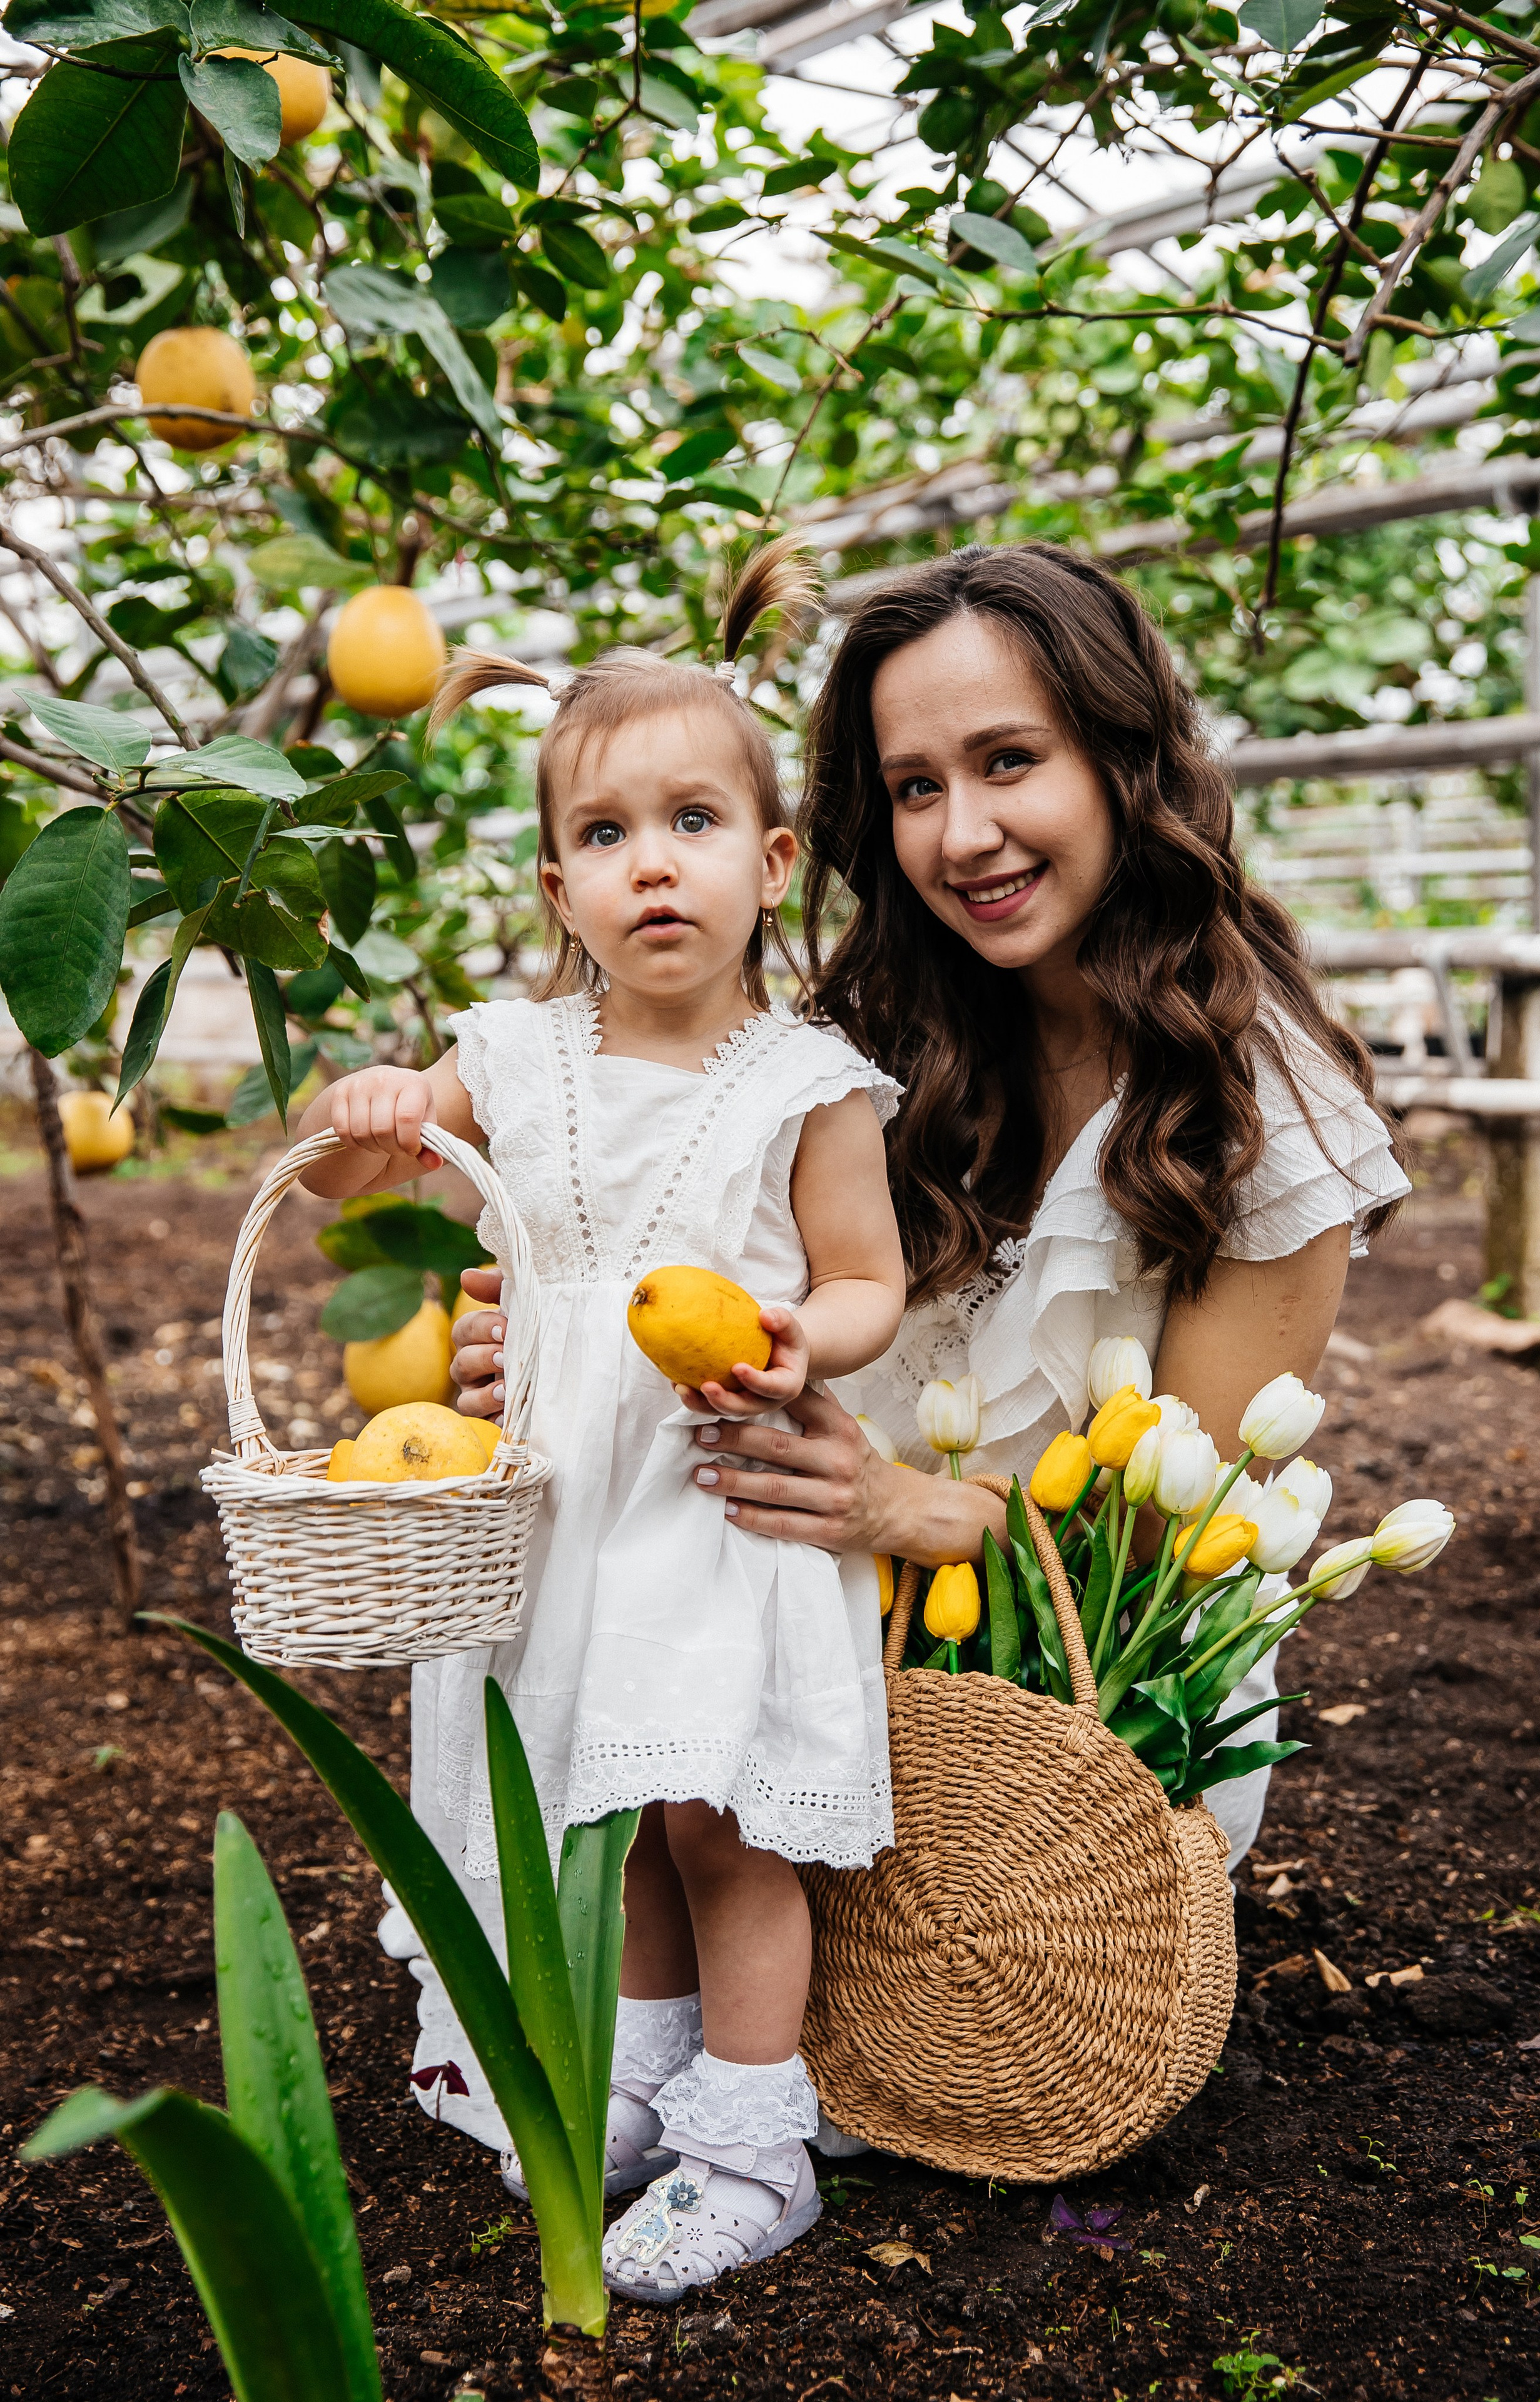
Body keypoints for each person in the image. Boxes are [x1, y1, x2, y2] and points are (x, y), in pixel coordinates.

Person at [455, 542, 1409, 1879]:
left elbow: (1169, 1542)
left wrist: (906, 1513)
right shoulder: (860, 1050)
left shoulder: (1262, 1123)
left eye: (1009, 761)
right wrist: (560, 1349)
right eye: (916, 787)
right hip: (779, 1636)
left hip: (1065, 1736)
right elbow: (690, 1269)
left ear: (1123, 761)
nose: (961, 835)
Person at [298, 536, 906, 2304]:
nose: (654, 863)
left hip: (716, 1496)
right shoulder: (509, 1056)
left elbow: (865, 1281)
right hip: (564, 1510)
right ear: (559, 886)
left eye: (694, 822)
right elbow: (343, 1180)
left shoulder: (806, 1083)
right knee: (605, 1803)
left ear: (770, 863)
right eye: (608, 833)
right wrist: (371, 1108)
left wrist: (801, 1338)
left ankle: (753, 2142)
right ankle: (632, 2081)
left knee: (719, 1820)